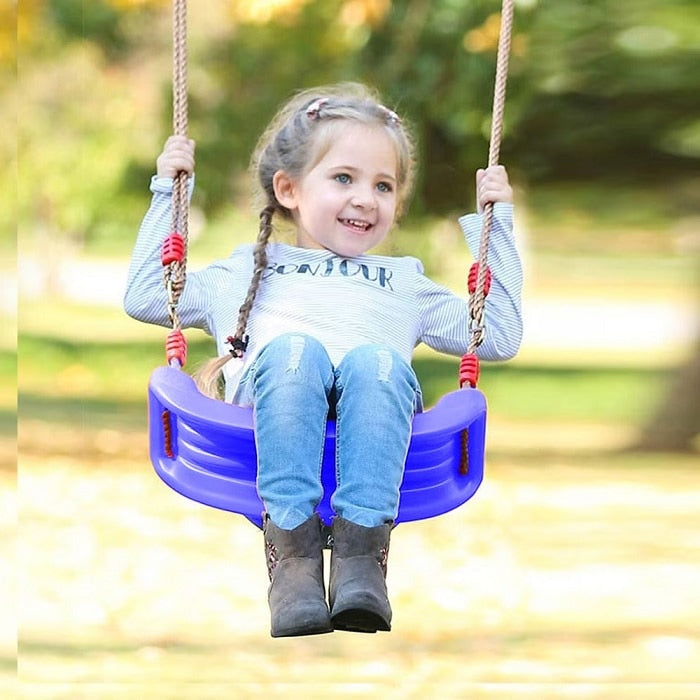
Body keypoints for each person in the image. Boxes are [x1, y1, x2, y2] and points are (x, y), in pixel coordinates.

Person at [124, 82, 523, 638]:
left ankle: (363, 563)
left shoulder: (404, 282)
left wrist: (496, 226)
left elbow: (497, 333)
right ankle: (292, 563)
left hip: (376, 419)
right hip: (266, 419)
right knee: (294, 352)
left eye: (384, 185)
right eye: (344, 178)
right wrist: (168, 192)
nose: (366, 197)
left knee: (375, 362)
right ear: (288, 188)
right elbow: (148, 294)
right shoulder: (241, 271)